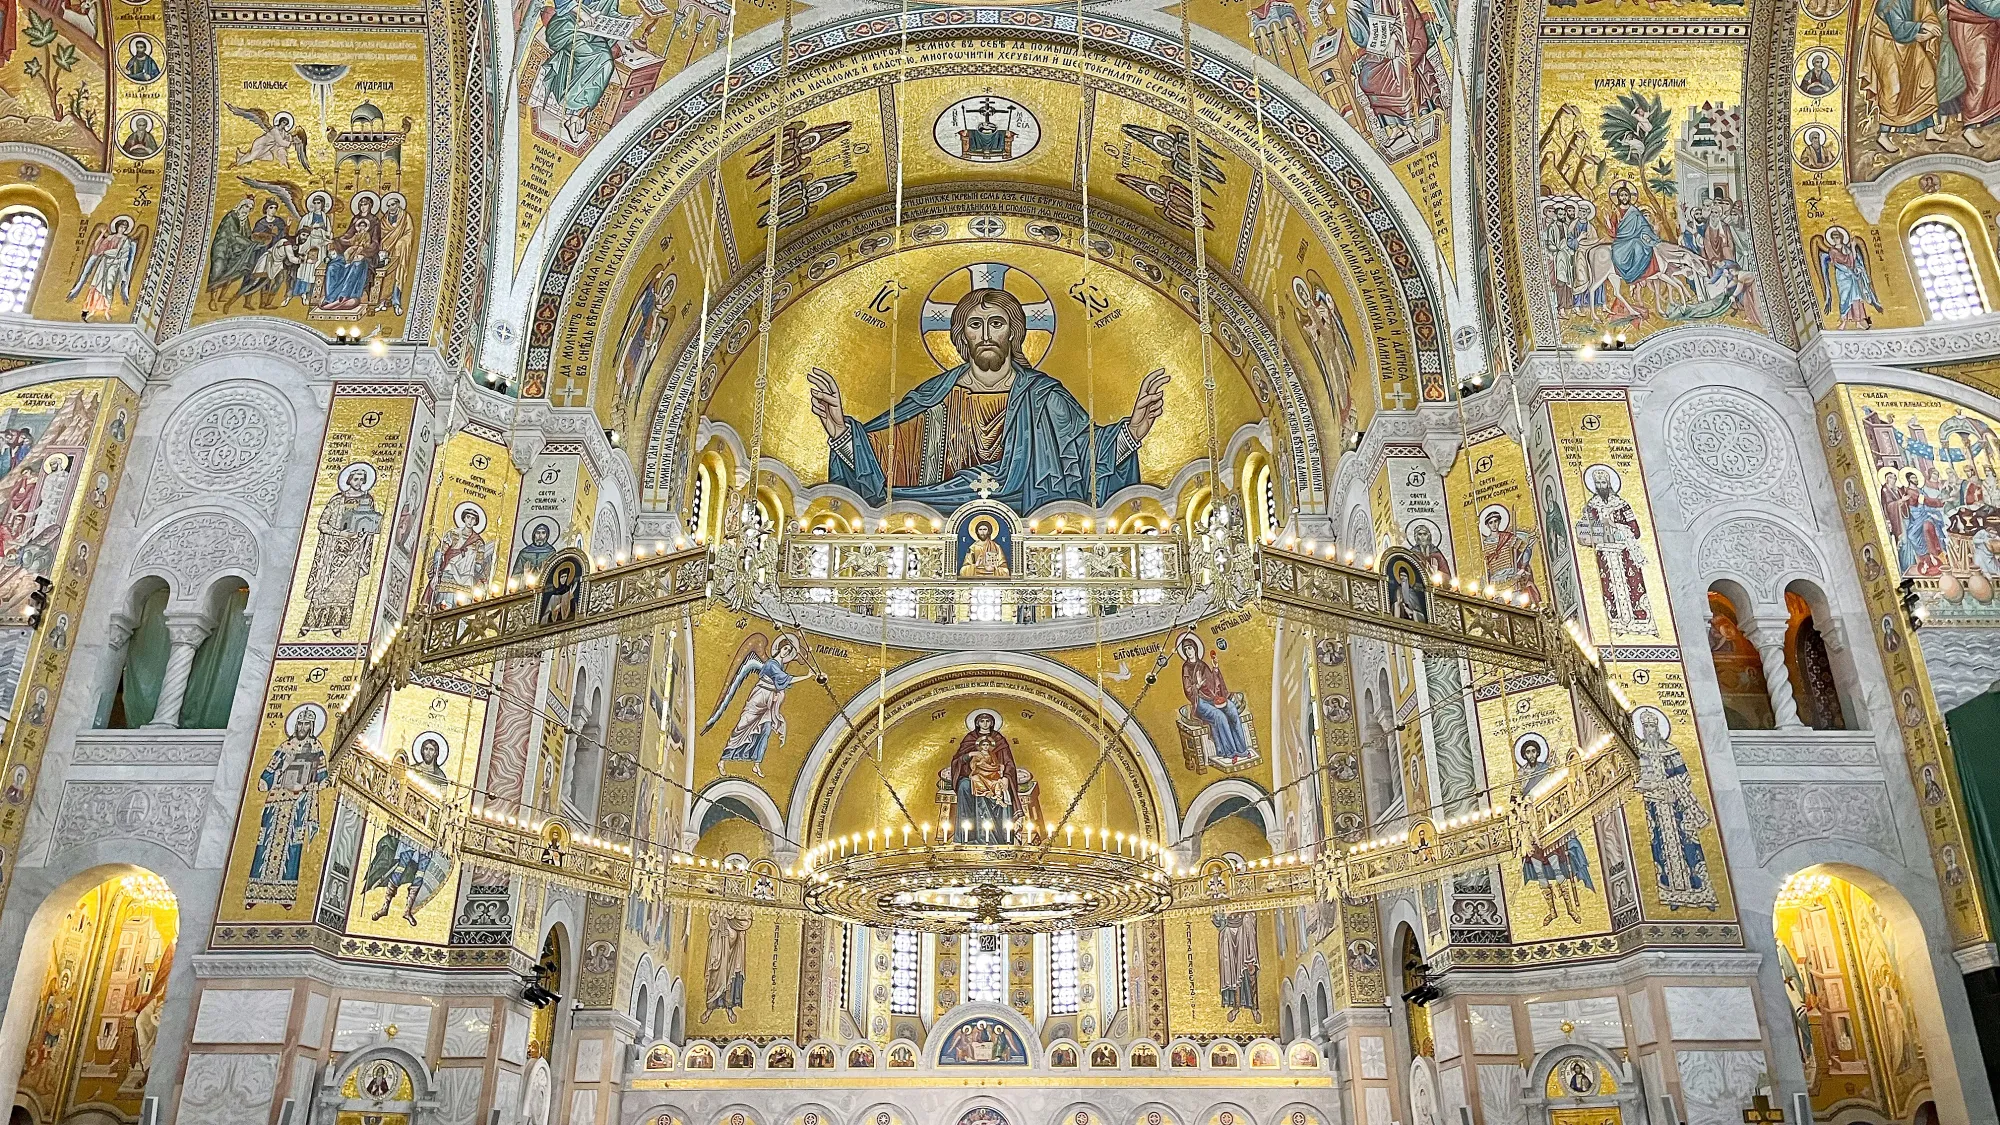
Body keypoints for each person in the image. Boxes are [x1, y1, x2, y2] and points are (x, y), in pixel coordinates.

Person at [807, 285, 1169, 514]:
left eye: (996, 323)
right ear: (961, 334)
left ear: (1014, 331)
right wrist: (840, 430)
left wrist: (1133, 431)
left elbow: (1087, 454)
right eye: (975, 325)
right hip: (935, 515)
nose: (986, 334)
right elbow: (881, 460)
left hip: (1033, 520)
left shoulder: (1044, 396)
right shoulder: (934, 398)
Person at [1179, 632, 1253, 764]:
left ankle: (1242, 750)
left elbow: (1214, 683)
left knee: (1231, 709)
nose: (1188, 651)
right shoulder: (1186, 668)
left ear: (1195, 649)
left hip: (1213, 698)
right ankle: (1229, 753)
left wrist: (1215, 668)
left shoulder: (1202, 665)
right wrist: (1197, 685)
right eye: (1185, 649)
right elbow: (1188, 690)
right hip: (1200, 702)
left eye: (1190, 648)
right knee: (1220, 717)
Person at [947, 710, 1020, 839]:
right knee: (964, 785)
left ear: (992, 723)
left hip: (994, 776)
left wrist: (1006, 776)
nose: (985, 724)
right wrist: (970, 755)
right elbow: (958, 761)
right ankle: (966, 835)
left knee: (1002, 787)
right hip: (975, 776)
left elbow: (1008, 763)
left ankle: (1000, 836)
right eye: (982, 721)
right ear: (977, 723)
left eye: (988, 721)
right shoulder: (969, 739)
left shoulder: (999, 740)